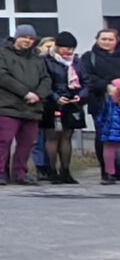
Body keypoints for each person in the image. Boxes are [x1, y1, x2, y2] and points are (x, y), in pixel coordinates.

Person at [0, 25, 50, 185]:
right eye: (24, 37)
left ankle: (20, 173)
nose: (27, 41)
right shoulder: (1, 53)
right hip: (7, 106)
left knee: (27, 143)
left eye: (31, 38)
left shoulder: (37, 58)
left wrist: (38, 94)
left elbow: (46, 79)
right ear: (16, 37)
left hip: (32, 107)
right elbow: (1, 76)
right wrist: (25, 93)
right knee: (4, 141)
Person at [44, 32, 85, 185]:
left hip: (71, 103)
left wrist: (80, 96)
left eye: (72, 49)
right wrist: (55, 97)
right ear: (57, 46)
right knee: (53, 137)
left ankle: (66, 171)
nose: (69, 52)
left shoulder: (77, 62)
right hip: (52, 103)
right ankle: (52, 171)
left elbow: (86, 81)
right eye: (66, 48)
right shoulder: (46, 61)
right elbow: (44, 82)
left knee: (67, 136)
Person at [85, 29, 120, 184]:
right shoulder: (89, 57)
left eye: (110, 39)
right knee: (104, 137)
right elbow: (87, 77)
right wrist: (106, 85)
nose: (106, 42)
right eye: (103, 39)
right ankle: (107, 172)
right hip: (100, 102)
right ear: (97, 40)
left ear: (117, 41)